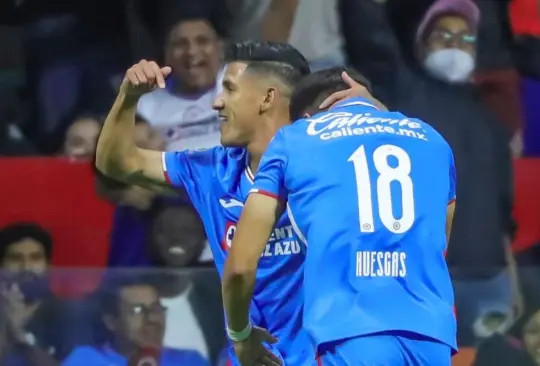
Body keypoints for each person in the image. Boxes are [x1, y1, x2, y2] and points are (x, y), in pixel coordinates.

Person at [96, 40, 365, 365]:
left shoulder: (331, 167)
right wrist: (129, 97)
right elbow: (117, 162)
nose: (217, 103)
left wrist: (370, 109)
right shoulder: (211, 171)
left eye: (229, 89)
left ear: (267, 98)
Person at [222, 67, 457, 365]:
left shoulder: (295, 138)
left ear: (306, 117)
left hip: (349, 333)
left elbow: (240, 267)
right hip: (431, 336)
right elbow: (441, 241)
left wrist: (240, 335)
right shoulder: (432, 139)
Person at [62, 276, 208, 366]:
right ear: (111, 322)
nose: (151, 318)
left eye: (156, 308)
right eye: (137, 311)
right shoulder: (85, 360)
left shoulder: (190, 361)